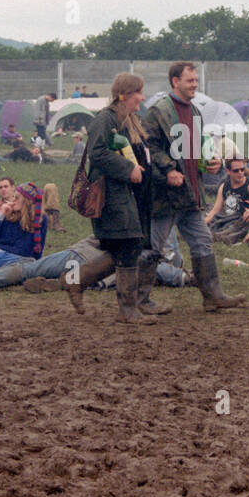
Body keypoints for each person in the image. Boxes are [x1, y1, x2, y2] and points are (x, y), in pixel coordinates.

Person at [144, 62, 245, 313]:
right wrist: (168, 170)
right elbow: (148, 148)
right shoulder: (159, 111)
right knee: (152, 248)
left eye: (196, 81)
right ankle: (138, 300)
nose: (195, 85)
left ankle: (213, 296)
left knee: (203, 241)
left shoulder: (195, 112)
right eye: (190, 81)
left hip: (190, 194)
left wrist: (209, 162)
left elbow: (198, 149)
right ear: (175, 81)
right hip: (165, 196)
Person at [66, 72, 156, 323]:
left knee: (125, 246)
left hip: (123, 194)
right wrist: (129, 169)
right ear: (124, 95)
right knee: (129, 244)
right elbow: (97, 153)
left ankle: (76, 281)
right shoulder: (104, 120)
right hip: (111, 196)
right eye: (138, 92)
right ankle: (127, 310)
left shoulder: (123, 120)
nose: (142, 97)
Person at [0, 183, 46, 275]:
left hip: (13, 258)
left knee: (29, 264)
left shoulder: (39, 219)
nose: (13, 200)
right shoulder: (10, 214)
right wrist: (1, 214)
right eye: (14, 196)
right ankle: (29, 270)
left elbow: (28, 250)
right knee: (31, 265)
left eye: (17, 198)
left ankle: (17, 272)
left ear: (27, 201)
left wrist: (0, 246)